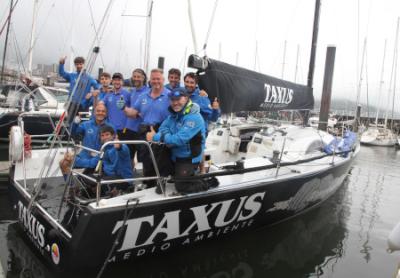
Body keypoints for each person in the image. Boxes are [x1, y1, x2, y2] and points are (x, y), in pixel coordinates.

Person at [147, 88, 207, 194]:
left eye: (178, 99)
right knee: (157, 151)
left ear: (187, 98)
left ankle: (205, 182)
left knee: (181, 187)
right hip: (175, 155)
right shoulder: (173, 116)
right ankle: (165, 177)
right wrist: (165, 136)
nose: (175, 103)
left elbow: (178, 140)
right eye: (172, 100)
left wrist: (160, 136)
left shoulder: (194, 117)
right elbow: (162, 129)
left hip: (188, 158)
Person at [124, 68, 172, 187]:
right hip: (145, 130)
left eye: (158, 79)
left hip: (162, 129)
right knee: (146, 160)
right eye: (153, 79)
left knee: (161, 160)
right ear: (149, 80)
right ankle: (148, 184)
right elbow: (133, 113)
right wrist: (123, 108)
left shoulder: (170, 96)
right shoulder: (143, 96)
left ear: (163, 80)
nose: (156, 81)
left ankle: (161, 185)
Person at [59, 103, 112, 177]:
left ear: (106, 113)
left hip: (100, 159)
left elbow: (111, 148)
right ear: (94, 112)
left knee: (92, 165)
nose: (100, 113)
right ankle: (72, 186)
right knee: (64, 163)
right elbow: (72, 133)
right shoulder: (86, 124)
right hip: (85, 155)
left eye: (103, 111)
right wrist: (75, 123)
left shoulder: (110, 127)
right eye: (98, 111)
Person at [58, 56, 99, 123]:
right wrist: (61, 64)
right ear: (75, 65)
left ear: (84, 64)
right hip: (72, 105)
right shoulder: (72, 76)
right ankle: (71, 133)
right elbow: (62, 73)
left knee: (84, 123)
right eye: (77, 64)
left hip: (84, 106)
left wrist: (91, 94)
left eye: (81, 64)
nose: (79, 66)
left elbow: (98, 88)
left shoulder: (89, 78)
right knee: (71, 124)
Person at [123, 68, 149, 162]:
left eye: (139, 77)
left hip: (141, 131)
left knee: (142, 160)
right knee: (128, 157)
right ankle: (130, 175)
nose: (136, 79)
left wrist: (136, 114)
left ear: (143, 78)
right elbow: (129, 108)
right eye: (134, 76)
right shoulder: (132, 91)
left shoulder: (148, 92)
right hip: (129, 128)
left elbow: (147, 110)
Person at [102, 73, 130, 139]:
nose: (117, 82)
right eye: (115, 80)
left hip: (123, 129)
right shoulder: (108, 94)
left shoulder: (128, 94)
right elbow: (100, 104)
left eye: (119, 80)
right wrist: (95, 96)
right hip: (110, 129)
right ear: (112, 81)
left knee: (121, 148)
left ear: (122, 82)